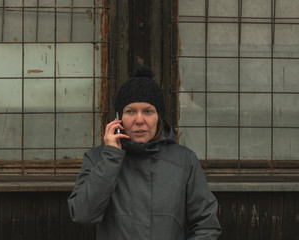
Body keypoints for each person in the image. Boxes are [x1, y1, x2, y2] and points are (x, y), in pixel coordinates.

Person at [68, 65, 221, 240]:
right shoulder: (97, 159)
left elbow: (206, 225)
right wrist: (111, 158)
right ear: (119, 118)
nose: (139, 120)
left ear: (159, 117)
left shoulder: (184, 160)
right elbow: (82, 215)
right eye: (130, 111)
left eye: (148, 111)